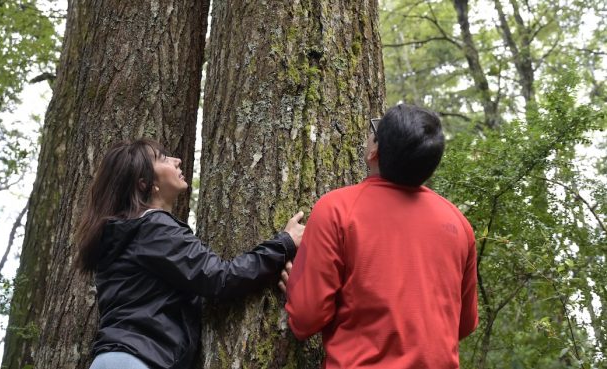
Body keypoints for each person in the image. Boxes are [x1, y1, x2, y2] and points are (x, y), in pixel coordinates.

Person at [75, 139, 305, 369]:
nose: (177, 161)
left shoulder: (124, 234)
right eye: (163, 159)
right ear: (145, 183)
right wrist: (284, 243)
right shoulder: (153, 229)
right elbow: (220, 278)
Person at [281, 104, 478, 368]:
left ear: (375, 150)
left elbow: (306, 319)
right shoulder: (458, 225)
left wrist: (297, 285)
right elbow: (463, 324)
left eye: (374, 130)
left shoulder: (337, 210)